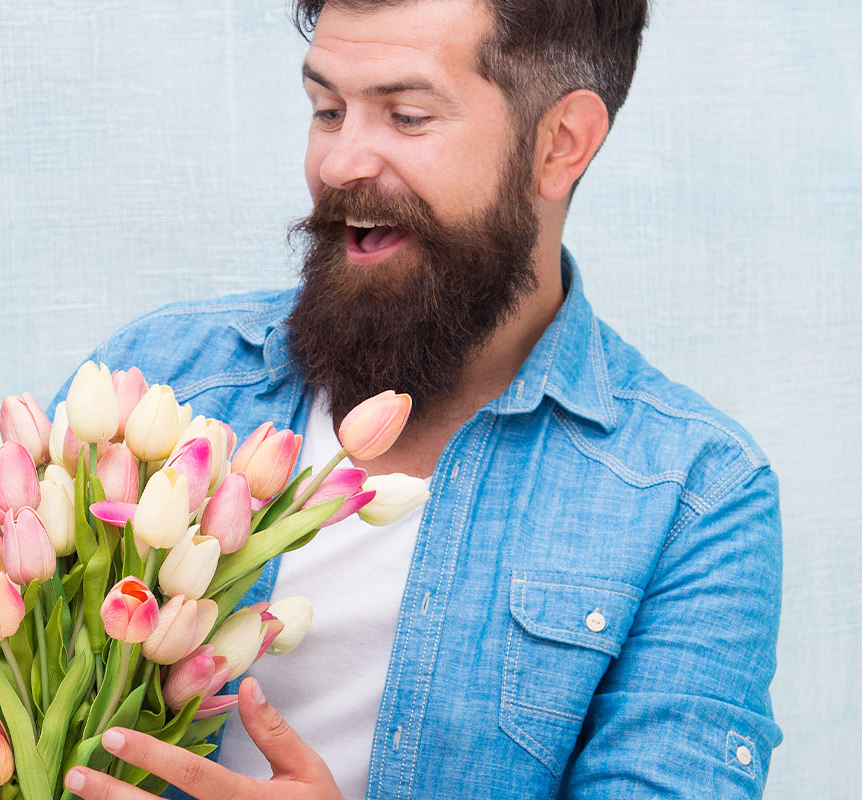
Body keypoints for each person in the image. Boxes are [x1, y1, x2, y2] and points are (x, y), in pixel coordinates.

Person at [59, 1, 781, 798]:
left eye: (406, 116)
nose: (340, 163)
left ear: (559, 144)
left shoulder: (693, 491)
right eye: (327, 110)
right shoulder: (161, 379)